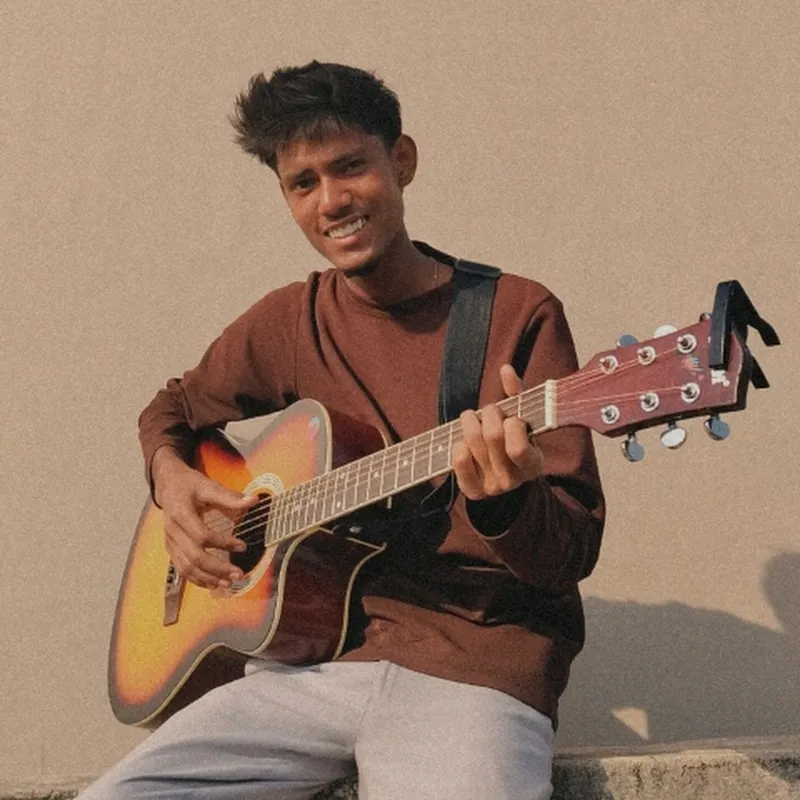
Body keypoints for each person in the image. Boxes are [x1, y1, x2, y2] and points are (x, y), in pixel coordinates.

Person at [82, 61, 604, 800]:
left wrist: (508, 502)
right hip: (304, 673)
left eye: (350, 166)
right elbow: (171, 411)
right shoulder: (290, 321)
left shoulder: (515, 315)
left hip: (473, 673)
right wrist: (172, 486)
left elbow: (569, 554)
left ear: (402, 161)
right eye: (303, 183)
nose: (331, 201)